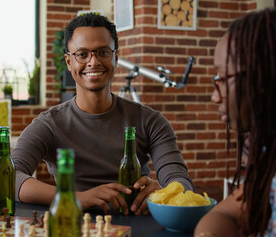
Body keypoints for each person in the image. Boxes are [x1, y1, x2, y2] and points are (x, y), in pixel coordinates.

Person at [12, 13, 193, 215]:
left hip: (136, 222)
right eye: (82, 54)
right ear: (69, 62)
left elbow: (181, 181)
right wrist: (77, 197)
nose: (94, 62)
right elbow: (11, 176)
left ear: (115, 57)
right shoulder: (49, 124)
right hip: (76, 225)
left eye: (103, 53)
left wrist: (163, 191)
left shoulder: (150, 121)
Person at [194, 8, 276, 237]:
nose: (214, 96)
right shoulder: (267, 154)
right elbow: (226, 213)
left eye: (222, 78)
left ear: (263, 76)